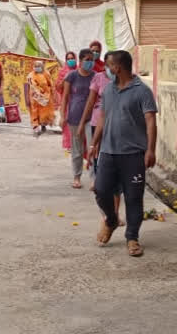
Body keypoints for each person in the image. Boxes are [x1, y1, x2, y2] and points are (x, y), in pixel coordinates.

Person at [89, 50, 158, 258]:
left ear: (117, 68)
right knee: (101, 190)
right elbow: (102, 117)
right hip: (108, 152)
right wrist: (94, 144)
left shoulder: (142, 91)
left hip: (134, 154)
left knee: (134, 197)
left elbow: (150, 122)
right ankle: (111, 220)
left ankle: (132, 238)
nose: (106, 69)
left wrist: (151, 149)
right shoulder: (108, 90)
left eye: (109, 65)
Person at [78, 52, 123, 226]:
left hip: (118, 128)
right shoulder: (97, 78)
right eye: (110, 64)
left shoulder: (125, 80)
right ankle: (106, 214)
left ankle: (115, 213)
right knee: (101, 169)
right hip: (98, 124)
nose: (113, 68)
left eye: (115, 64)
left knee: (117, 174)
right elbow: (90, 102)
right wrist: (83, 123)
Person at [61, 48, 95, 189]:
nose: (90, 62)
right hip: (74, 116)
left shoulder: (96, 76)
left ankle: (94, 178)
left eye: (92, 60)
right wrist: (63, 116)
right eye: (87, 60)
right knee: (77, 149)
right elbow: (65, 97)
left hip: (92, 117)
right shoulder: (72, 76)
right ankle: (77, 177)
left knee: (93, 148)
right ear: (80, 61)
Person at [55, 52, 77, 154]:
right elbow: (58, 87)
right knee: (67, 123)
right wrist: (65, 79)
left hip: (77, 100)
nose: (70, 60)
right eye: (68, 59)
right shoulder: (62, 72)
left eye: (72, 58)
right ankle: (69, 145)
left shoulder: (79, 70)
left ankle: (77, 144)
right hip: (66, 101)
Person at [27, 60, 55, 137]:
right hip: (34, 97)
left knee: (44, 112)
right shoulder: (30, 75)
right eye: (35, 66)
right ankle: (35, 127)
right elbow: (30, 86)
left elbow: (50, 84)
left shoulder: (46, 74)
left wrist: (49, 92)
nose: (37, 68)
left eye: (39, 66)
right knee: (34, 112)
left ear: (42, 66)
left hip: (45, 97)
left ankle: (43, 125)